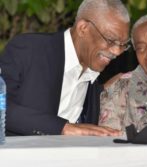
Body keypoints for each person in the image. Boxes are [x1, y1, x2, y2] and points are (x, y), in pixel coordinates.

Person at [0, 0, 130, 136]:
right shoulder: (29, 49)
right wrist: (63, 128)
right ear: (83, 28)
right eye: (110, 40)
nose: (117, 52)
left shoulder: (93, 77)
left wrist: (102, 90)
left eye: (123, 45)